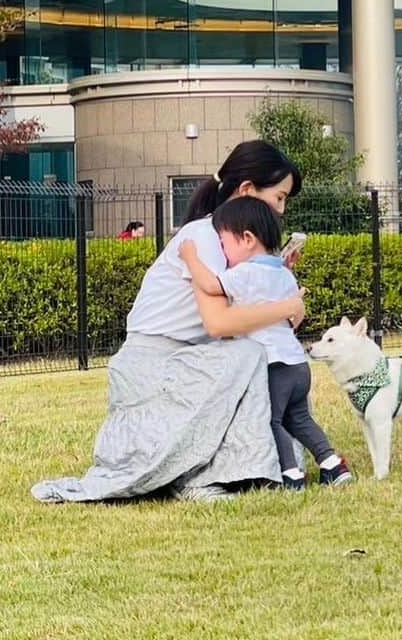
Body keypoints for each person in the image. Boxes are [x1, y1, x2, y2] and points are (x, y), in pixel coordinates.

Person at [31, 141, 306, 504]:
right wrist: (282, 306)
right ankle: (201, 477)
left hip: (191, 360)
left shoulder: (234, 246)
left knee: (268, 359)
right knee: (250, 355)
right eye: (280, 197)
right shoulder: (204, 237)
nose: (282, 210)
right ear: (246, 191)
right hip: (155, 367)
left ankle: (253, 469)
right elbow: (219, 323)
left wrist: (278, 290)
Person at [181, 197, 352, 491]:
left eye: (224, 244)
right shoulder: (284, 273)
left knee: (272, 421)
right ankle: (332, 465)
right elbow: (292, 315)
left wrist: (190, 257)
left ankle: (291, 475)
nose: (222, 252)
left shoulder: (245, 273)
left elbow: (211, 286)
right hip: (298, 364)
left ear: (247, 239)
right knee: (299, 418)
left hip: (274, 365)